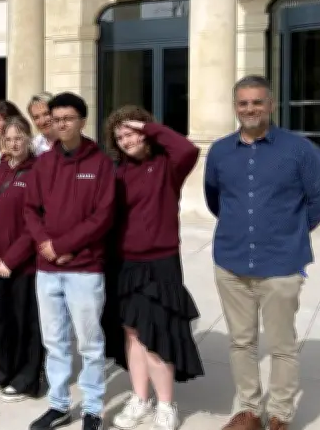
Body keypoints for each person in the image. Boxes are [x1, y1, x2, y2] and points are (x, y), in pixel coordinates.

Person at [204, 75, 320, 430]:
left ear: (271, 105)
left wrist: (288, 230)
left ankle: (280, 414)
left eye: (257, 102)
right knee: (241, 342)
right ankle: (248, 410)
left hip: (281, 264)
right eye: (243, 103)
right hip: (231, 263)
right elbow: (216, 199)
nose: (250, 109)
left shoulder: (301, 150)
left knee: (282, 344)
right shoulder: (219, 151)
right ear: (235, 107)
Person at [104, 106, 204, 430]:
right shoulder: (117, 171)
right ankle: (140, 398)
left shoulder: (167, 166)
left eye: (130, 132)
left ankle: (165, 404)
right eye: (119, 137)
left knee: (157, 334)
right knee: (132, 334)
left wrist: (149, 127)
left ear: (144, 130)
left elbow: (188, 149)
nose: (125, 140)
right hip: (126, 261)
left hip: (160, 261)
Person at [24, 92, 114, 430]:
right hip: (47, 270)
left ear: (82, 121)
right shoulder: (44, 163)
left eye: (68, 118)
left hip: (84, 269)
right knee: (55, 342)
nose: (60, 123)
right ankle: (59, 404)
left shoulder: (100, 164)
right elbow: (30, 209)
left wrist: (65, 245)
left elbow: (102, 217)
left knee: (90, 343)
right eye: (56, 118)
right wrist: (45, 244)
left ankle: (92, 408)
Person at [0, 116, 42, 402]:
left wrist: (12, 260)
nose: (13, 143)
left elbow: (37, 225)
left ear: (28, 139)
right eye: (8, 139)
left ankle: (27, 377)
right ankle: (2, 371)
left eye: (19, 138)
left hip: (23, 264)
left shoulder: (38, 173)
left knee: (24, 322)